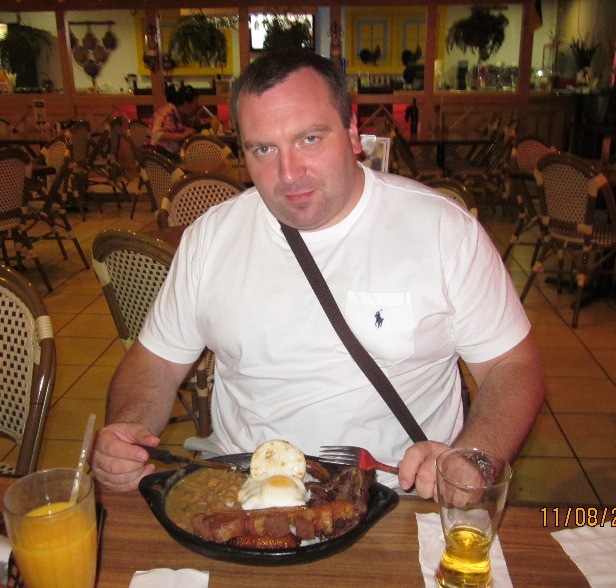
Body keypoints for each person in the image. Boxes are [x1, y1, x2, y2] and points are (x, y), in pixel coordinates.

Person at [91, 50, 545, 497]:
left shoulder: (444, 230)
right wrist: (129, 427)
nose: (289, 173)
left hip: (396, 496)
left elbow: (512, 366)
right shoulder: (210, 238)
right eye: (264, 149)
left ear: (352, 133)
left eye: (309, 139)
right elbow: (155, 361)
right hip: (244, 495)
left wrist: (475, 457)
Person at [147, 82, 198, 161]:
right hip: (157, 155)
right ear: (186, 103)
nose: (196, 107)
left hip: (170, 153)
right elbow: (156, 134)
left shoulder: (181, 114)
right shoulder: (167, 112)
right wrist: (182, 135)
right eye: (195, 104)